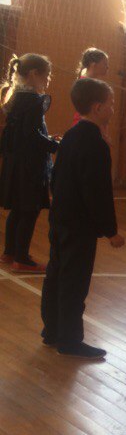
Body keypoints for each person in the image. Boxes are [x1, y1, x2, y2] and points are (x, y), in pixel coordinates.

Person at [41, 78, 125, 360]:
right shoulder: (95, 144)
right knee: (74, 282)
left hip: (61, 218)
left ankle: (52, 330)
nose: (113, 109)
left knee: (56, 274)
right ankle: (69, 340)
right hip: (79, 224)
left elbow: (55, 177)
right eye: (110, 104)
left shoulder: (71, 135)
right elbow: (98, 192)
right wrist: (110, 231)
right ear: (97, 107)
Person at [0, 54, 59, 273]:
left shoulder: (15, 97)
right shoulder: (34, 101)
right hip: (29, 166)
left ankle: (9, 252)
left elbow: (23, 133)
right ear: (34, 74)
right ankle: (22, 258)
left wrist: (47, 138)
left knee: (18, 208)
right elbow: (31, 135)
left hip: (15, 163)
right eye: (47, 75)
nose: (48, 80)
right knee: (29, 210)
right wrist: (54, 145)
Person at [72, 48, 109, 126]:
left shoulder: (95, 84)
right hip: (84, 125)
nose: (107, 67)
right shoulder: (85, 84)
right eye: (104, 64)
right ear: (93, 65)